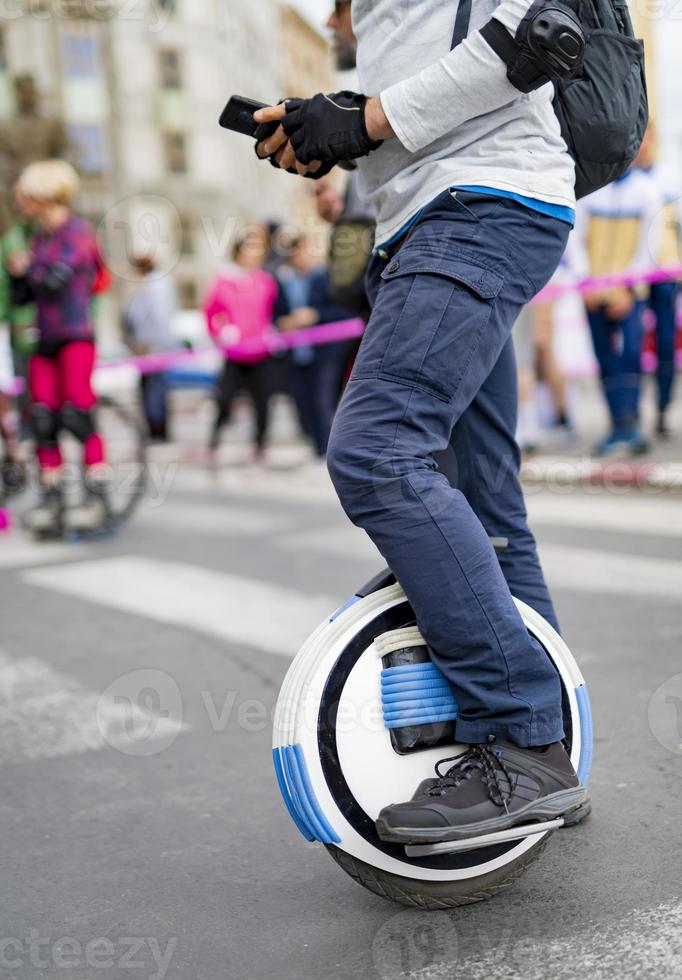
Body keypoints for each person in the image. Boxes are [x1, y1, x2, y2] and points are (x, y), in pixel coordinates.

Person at [253, 0, 590, 842]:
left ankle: (521, 736)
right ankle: (556, 753)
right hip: (427, 220)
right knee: (483, 499)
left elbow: (530, 36)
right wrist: (325, 127)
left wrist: (360, 120)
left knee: (375, 455)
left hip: (478, 208)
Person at [9, 160, 110, 535]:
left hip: (74, 335)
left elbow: (54, 281)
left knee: (77, 412)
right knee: (42, 419)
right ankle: (52, 498)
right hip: (44, 337)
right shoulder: (39, 238)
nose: (20, 201)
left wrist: (26, 270)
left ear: (43, 194)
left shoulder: (77, 233)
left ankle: (95, 494)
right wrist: (21, 275)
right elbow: (25, 293)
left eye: (25, 195)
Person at [570, 158, 663, 456]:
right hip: (593, 292)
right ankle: (615, 425)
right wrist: (586, 282)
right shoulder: (588, 191)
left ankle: (630, 423)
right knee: (605, 359)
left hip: (629, 293)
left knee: (632, 354)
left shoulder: (647, 192)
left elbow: (649, 246)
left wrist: (628, 289)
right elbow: (576, 239)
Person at [203, 226, 278, 462]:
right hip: (235, 353)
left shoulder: (266, 281)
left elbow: (275, 312)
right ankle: (213, 442)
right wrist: (221, 330)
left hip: (261, 352)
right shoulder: (223, 281)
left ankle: (261, 445)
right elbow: (210, 313)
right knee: (224, 398)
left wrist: (273, 330)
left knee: (263, 401)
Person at [275, 237, 351, 458]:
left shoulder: (326, 278)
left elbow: (343, 313)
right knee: (301, 401)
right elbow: (277, 313)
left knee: (322, 399)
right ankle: (314, 444)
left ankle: (327, 449)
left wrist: (315, 316)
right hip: (295, 352)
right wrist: (283, 323)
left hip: (325, 352)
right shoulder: (283, 281)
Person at [635, 127, 680, 439]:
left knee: (665, 342)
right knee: (632, 341)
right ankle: (630, 409)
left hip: (664, 275)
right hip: (632, 276)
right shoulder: (621, 180)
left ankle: (663, 406)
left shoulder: (669, 178)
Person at [123, 255, 179, 442]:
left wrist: (148, 343)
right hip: (151, 346)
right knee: (154, 389)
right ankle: (157, 429)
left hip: (153, 347)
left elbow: (154, 317)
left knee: (154, 391)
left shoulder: (155, 285)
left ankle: (157, 430)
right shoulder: (154, 284)